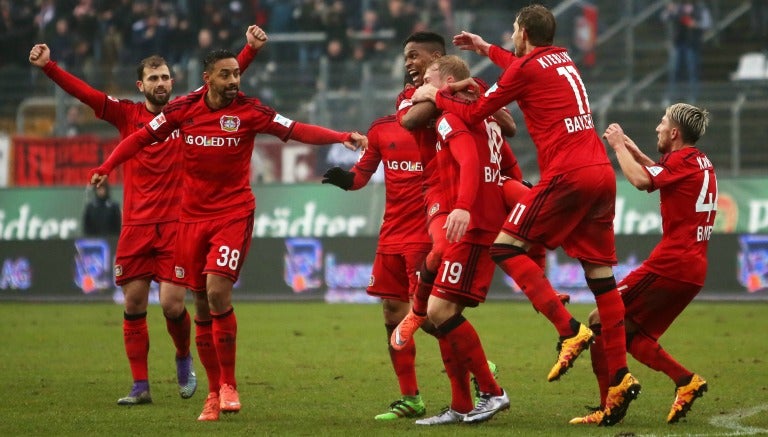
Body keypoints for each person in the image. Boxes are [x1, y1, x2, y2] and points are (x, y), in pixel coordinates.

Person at [89, 48, 367, 421]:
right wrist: (107, 166)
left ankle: (229, 385)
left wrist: (339, 136)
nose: (234, 80)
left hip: (233, 213)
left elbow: (296, 129)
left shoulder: (251, 111)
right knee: (201, 302)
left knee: (218, 290)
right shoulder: (183, 110)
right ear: (208, 79)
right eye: (226, 75)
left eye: (237, 73)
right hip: (191, 219)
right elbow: (139, 139)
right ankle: (213, 391)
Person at [411, 4, 641, 426]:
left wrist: (437, 95)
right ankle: (618, 379)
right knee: (602, 280)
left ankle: (569, 331)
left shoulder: (523, 69)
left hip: (567, 173)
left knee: (505, 246)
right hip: (601, 174)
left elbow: (476, 110)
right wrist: (486, 49)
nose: (511, 37)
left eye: (513, 31)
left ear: (523, 32)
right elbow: (521, 68)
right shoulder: (562, 58)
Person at [29, 25, 267, 406]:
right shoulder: (127, 116)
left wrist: (250, 51)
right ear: (140, 85)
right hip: (136, 226)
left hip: (178, 226)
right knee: (134, 304)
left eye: (165, 77)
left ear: (173, 81)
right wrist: (49, 67)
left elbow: (225, 80)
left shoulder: (187, 111)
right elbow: (86, 93)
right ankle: (140, 386)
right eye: (153, 78)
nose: (161, 83)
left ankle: (183, 356)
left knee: (173, 305)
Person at [571, 103, 714, 425]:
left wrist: (620, 145)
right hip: (692, 267)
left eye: (662, 123)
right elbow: (664, 177)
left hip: (672, 263)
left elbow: (642, 182)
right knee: (633, 336)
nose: (657, 128)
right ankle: (685, 381)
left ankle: (609, 403)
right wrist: (635, 152)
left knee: (600, 319)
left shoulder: (681, 160)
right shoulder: (699, 161)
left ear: (675, 133)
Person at [390, 31, 518, 351]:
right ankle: (417, 311)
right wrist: (442, 93)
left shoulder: (471, 86)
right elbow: (410, 121)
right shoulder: (410, 94)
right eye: (406, 57)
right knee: (444, 247)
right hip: (437, 189)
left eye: (413, 55)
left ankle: (472, 386)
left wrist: (478, 98)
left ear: (435, 59)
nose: (408, 63)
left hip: (472, 188)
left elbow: (509, 126)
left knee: (448, 311)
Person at [413, 55, 513, 425]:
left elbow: (470, 163)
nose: (422, 85)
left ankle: (492, 391)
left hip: (472, 225)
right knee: (445, 316)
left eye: (429, 78)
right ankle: (461, 405)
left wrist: (464, 207)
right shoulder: (483, 117)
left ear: (450, 80)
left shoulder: (450, 118)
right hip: (481, 220)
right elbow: (504, 159)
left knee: (438, 314)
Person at [321, 112, 432, 421]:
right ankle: (410, 398)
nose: (412, 63)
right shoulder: (383, 128)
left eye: (417, 60)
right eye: (408, 58)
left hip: (427, 233)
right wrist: (345, 180)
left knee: (433, 314)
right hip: (392, 234)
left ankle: (476, 365)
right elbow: (361, 174)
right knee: (393, 312)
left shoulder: (443, 123)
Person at [661, 0, 712, 104]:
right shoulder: (677, 7)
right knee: (674, 71)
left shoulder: (700, 8)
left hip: (692, 44)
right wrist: (670, 11)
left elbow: (707, 24)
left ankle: (693, 97)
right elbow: (664, 17)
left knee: (692, 71)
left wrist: (696, 24)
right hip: (678, 43)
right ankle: (671, 97)